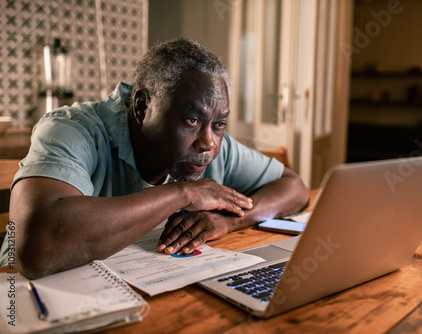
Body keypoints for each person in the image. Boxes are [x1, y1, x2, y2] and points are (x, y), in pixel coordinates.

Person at [0, 38, 309, 279]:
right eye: (191, 120)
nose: (209, 143)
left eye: (219, 124)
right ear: (142, 107)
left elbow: (294, 187)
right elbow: (36, 248)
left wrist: (228, 222)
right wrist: (183, 192)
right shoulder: (72, 129)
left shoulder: (212, 144)